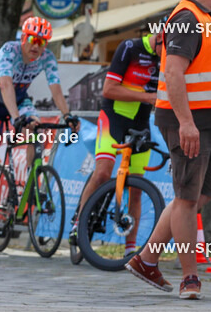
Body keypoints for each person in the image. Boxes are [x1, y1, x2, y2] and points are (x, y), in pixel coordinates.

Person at [126, 0, 211, 300]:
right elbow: (174, 74)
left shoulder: (207, 19)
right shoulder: (186, 19)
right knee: (186, 198)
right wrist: (187, 123)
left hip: (208, 122)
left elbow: (209, 77)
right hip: (188, 122)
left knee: (199, 196)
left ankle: (147, 259)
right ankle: (189, 277)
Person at [0, 17, 79, 253]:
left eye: (42, 41)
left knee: (36, 127)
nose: (36, 46)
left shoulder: (47, 58)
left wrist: (68, 115)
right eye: (33, 39)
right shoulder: (9, 50)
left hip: (20, 100)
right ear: (23, 38)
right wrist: (15, 117)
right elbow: (6, 85)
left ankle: (33, 177)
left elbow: (56, 89)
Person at [68, 30, 163, 257]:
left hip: (141, 122)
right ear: (160, 37)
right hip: (114, 117)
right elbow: (109, 89)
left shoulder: (170, 57)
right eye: (167, 49)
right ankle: (78, 223)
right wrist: (147, 97)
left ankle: (130, 249)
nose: (168, 56)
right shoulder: (130, 47)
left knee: (137, 187)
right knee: (102, 173)